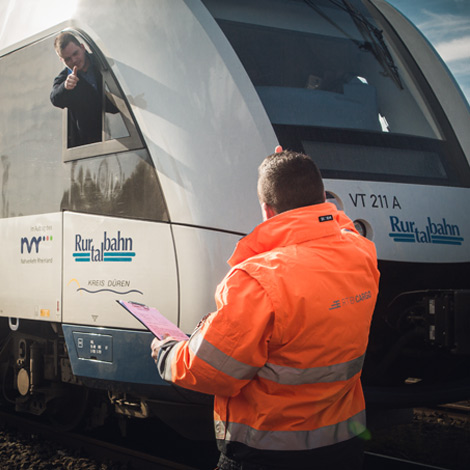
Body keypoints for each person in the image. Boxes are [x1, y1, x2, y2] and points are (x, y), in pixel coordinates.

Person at [151, 149, 380, 470]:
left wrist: (168, 352)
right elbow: (339, 226)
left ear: (267, 210)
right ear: (322, 199)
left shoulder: (256, 279)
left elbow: (212, 372)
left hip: (269, 452)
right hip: (343, 445)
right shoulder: (360, 253)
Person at [50, 32, 118, 147]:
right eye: (68, 59)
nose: (74, 60)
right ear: (62, 60)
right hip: (89, 146)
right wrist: (65, 87)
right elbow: (54, 97)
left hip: (120, 130)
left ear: (82, 47)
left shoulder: (102, 62)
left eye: (75, 53)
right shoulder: (65, 78)